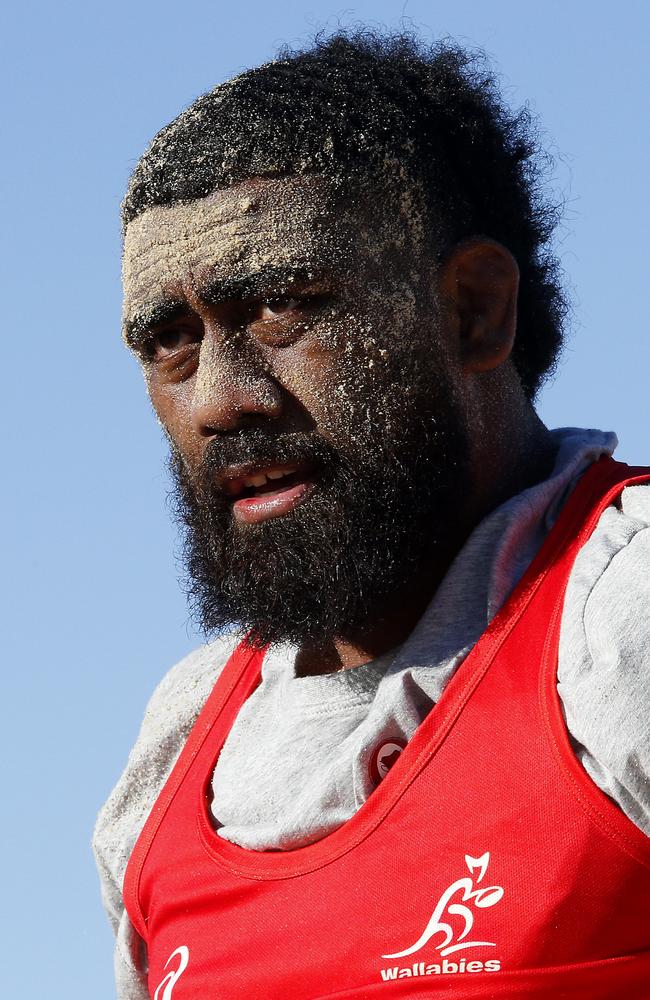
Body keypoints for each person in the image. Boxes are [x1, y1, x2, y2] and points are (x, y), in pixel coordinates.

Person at [94, 31, 650, 999]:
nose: (222, 397)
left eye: (282, 307)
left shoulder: (618, 616)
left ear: (472, 311)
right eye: (172, 342)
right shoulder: (178, 754)